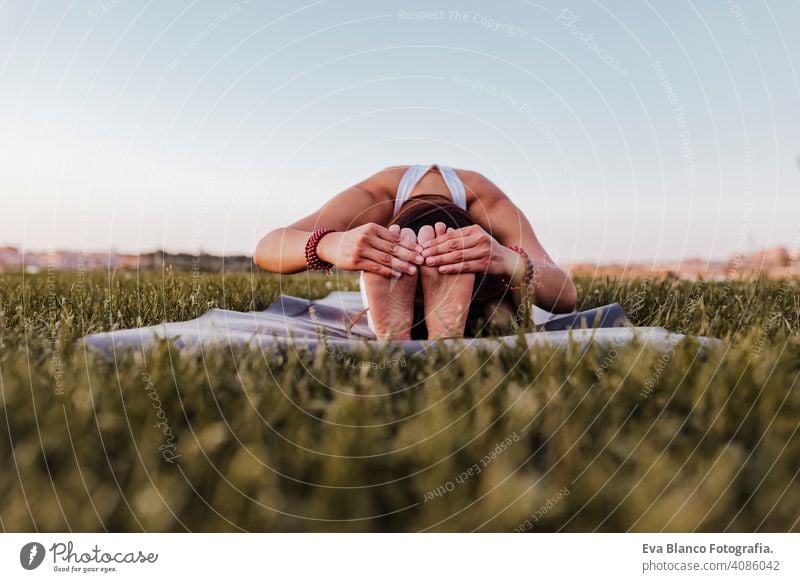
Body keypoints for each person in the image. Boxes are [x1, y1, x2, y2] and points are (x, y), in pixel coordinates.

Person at [254, 164, 577, 340]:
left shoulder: (486, 201)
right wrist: (331, 244)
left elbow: (563, 295)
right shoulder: (377, 195)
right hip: (476, 298)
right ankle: (440, 328)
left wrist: (505, 259)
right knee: (495, 320)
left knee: (497, 305)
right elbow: (267, 249)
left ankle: (412, 318)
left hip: (480, 290)